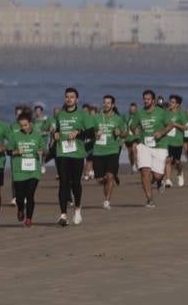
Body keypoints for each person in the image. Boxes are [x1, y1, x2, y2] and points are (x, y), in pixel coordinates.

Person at [51, 88, 92, 226]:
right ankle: (63, 215)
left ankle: (78, 209)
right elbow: (57, 130)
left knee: (75, 183)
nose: (69, 99)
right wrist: (55, 134)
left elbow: (91, 132)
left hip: (77, 154)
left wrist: (78, 132)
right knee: (63, 183)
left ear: (77, 99)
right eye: (67, 96)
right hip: (62, 153)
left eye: (72, 97)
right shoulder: (60, 115)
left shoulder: (82, 114)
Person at [7, 112, 45, 226]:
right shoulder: (15, 136)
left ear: (30, 124)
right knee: (19, 196)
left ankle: (29, 218)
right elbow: (8, 151)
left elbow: (44, 148)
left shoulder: (37, 136)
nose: (24, 128)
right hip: (19, 171)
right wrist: (16, 151)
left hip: (34, 170)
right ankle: (20, 209)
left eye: (26, 125)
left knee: (30, 194)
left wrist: (41, 151)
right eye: (22, 125)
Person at [92, 96, 126, 209]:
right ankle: (107, 180)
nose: (106, 105)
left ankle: (107, 201)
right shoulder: (96, 118)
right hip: (98, 151)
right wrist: (95, 134)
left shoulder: (118, 119)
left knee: (110, 176)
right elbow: (89, 131)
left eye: (108, 103)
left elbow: (125, 134)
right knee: (100, 179)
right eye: (104, 102)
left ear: (113, 105)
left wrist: (119, 133)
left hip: (113, 150)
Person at [163, 95, 188, 188]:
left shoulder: (181, 114)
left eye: (173, 102)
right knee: (168, 160)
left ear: (177, 104)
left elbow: (186, 127)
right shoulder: (166, 113)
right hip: (167, 141)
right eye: (170, 101)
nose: (170, 103)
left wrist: (175, 124)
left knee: (177, 162)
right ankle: (168, 180)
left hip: (177, 141)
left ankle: (180, 173)